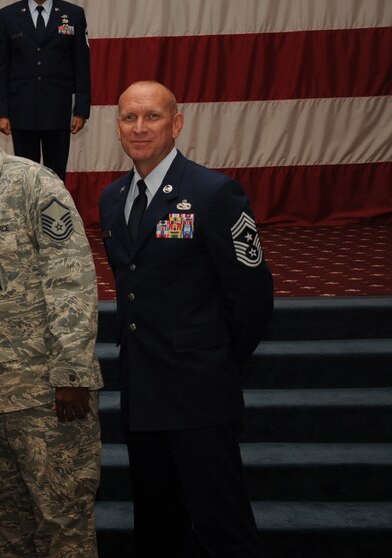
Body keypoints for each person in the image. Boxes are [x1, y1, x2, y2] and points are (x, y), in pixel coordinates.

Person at [98, 81, 274, 557]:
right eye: (129, 117)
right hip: (143, 393)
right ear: (117, 126)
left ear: (176, 124)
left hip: (199, 395)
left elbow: (253, 298)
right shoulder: (111, 200)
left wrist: (215, 362)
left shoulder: (214, 193)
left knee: (223, 527)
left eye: (152, 117)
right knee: (157, 529)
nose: (139, 127)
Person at [0, 86, 102, 557]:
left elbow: (70, 277)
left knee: (63, 522)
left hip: (46, 396)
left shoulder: (35, 183)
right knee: (6, 524)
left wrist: (72, 374)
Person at [0, 0, 91, 182]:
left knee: (56, 176)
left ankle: (55, 216)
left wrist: (81, 110)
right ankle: (27, 216)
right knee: (24, 176)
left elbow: (82, 65)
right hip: (21, 110)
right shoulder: (7, 16)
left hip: (58, 110)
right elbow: (0, 67)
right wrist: (1, 112)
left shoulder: (73, 14)